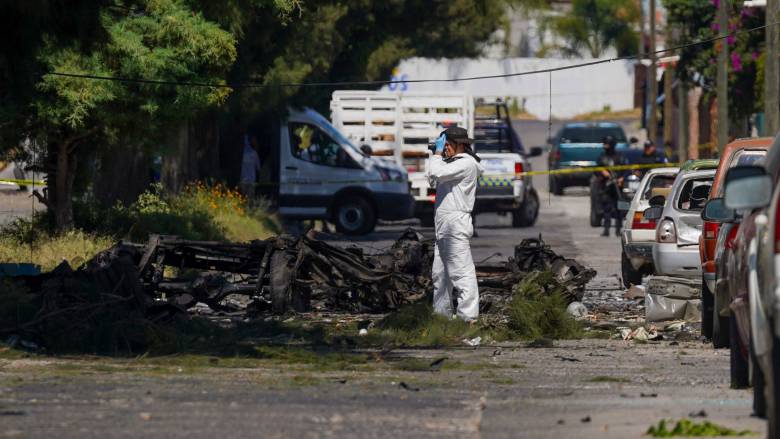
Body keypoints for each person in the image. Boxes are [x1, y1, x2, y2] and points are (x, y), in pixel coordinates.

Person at [426, 126, 485, 321]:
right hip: (444, 225)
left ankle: (468, 318)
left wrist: (436, 154)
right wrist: (437, 156)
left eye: (447, 145)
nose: (445, 148)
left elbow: (437, 174)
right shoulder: (451, 163)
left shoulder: (466, 163)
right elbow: (431, 178)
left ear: (460, 144)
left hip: (455, 224)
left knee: (461, 273)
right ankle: (441, 317)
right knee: (440, 275)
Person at [595, 135, 625, 237]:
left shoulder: (619, 156)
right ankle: (606, 230)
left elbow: (626, 170)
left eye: (607, 145)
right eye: (605, 144)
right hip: (606, 186)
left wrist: (622, 179)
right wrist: (603, 172)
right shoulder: (602, 157)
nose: (605, 146)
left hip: (617, 186)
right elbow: (596, 169)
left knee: (619, 209)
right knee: (606, 208)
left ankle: (618, 230)